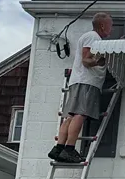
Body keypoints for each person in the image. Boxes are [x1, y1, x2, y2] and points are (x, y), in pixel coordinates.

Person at [48, 12, 112, 165]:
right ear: (102, 25)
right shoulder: (93, 37)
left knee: (70, 116)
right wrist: (100, 62)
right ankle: (69, 149)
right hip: (87, 82)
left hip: (78, 81)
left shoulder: (90, 37)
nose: (111, 28)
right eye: (110, 25)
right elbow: (86, 60)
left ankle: (58, 148)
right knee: (80, 114)